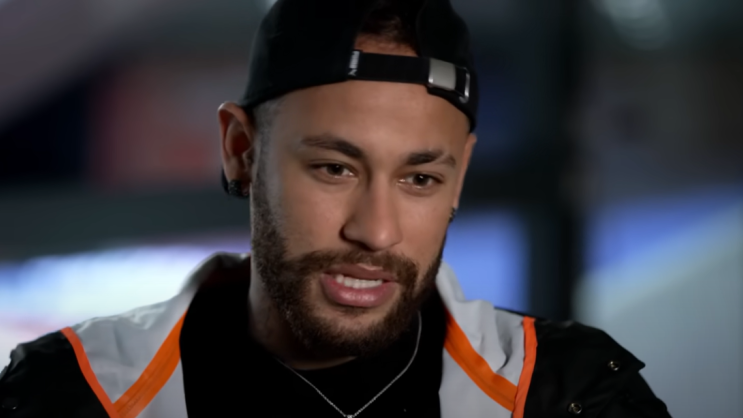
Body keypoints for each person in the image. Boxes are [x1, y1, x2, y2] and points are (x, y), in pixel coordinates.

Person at [0, 0, 672, 417]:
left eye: (420, 178)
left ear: (460, 176)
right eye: (334, 168)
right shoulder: (69, 394)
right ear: (240, 151)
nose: (375, 231)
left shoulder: (569, 392)